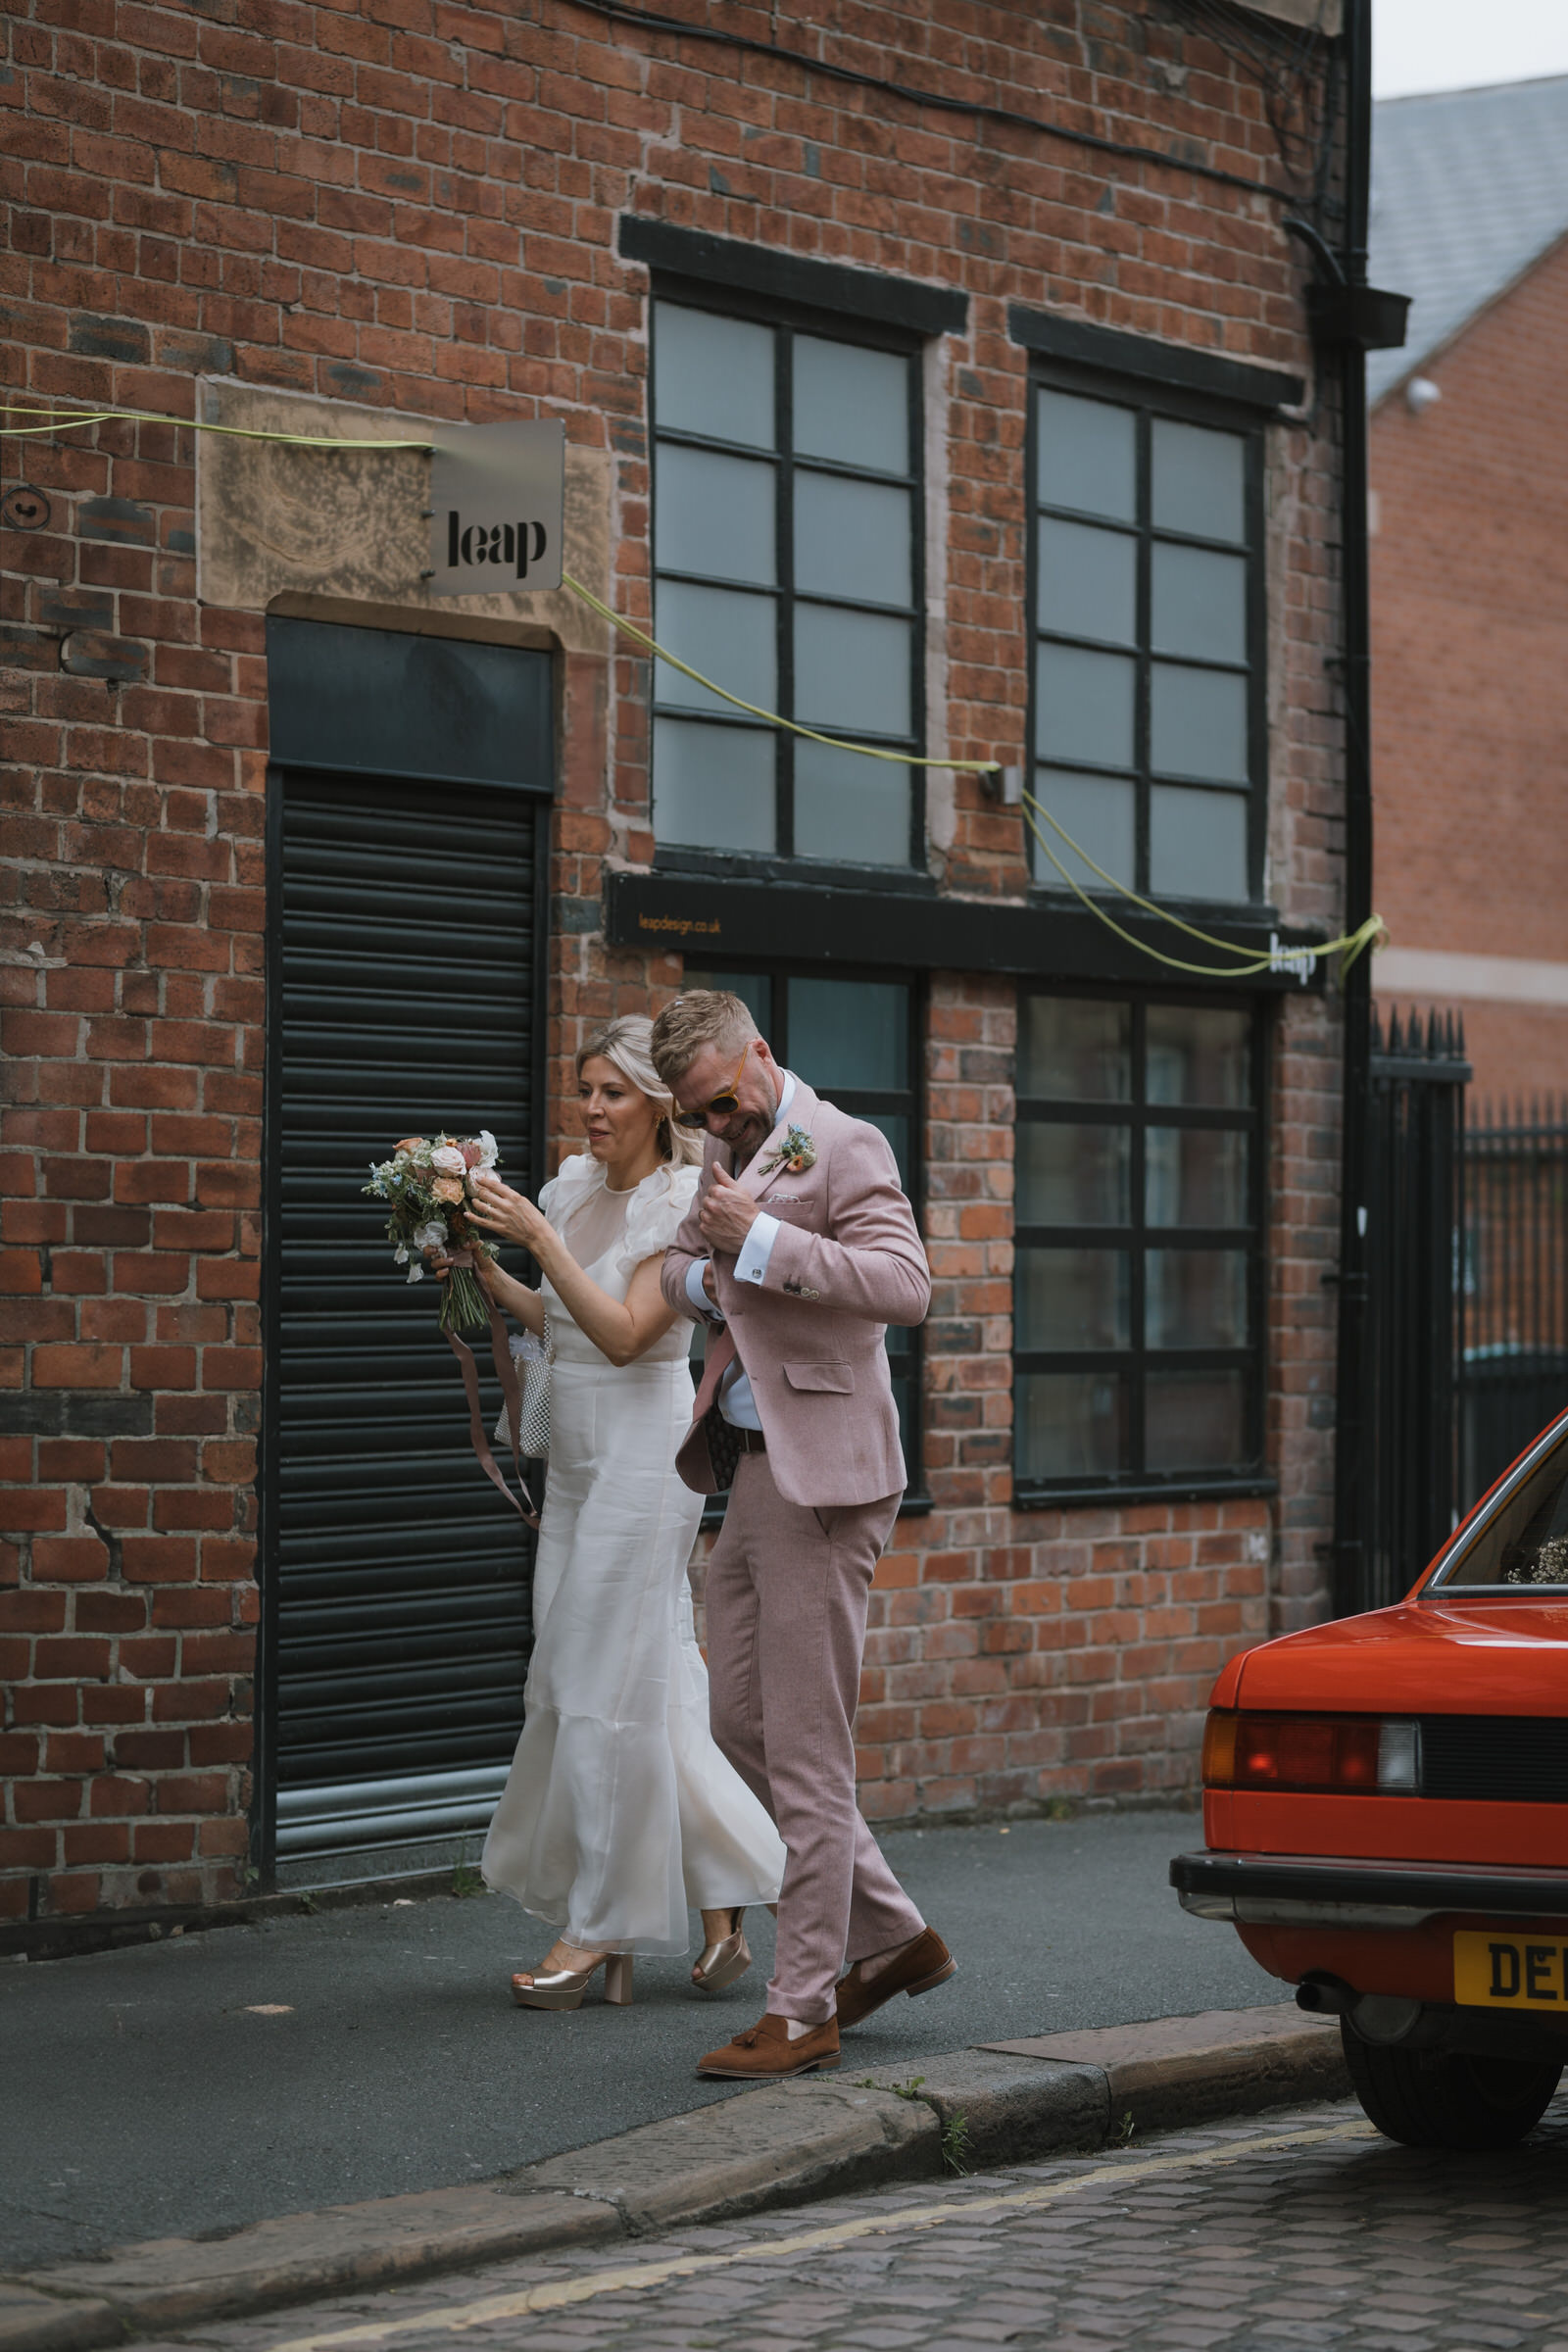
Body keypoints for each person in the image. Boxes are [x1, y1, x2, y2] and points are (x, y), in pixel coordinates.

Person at [651, 990, 955, 2080]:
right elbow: (681, 1269)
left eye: (723, 1104)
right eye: (695, 1117)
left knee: (810, 1752)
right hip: (748, 1478)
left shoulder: (843, 1144)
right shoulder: (721, 1159)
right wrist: (712, 1270)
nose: (713, 1129)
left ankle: (802, 2005)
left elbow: (905, 1288)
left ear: (762, 1058)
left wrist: (766, 1241)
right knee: (742, 1724)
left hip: (824, 1483)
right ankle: (897, 1936)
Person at [456, 1015, 786, 2012]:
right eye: (584, 1089)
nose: (591, 1110)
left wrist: (537, 1240)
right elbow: (554, 1317)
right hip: (576, 1464)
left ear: (655, 1103)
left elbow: (629, 1333)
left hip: (645, 1467)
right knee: (630, 1683)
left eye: (611, 1092)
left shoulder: (679, 1201)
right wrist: (479, 1267)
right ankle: (725, 1898)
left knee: (596, 1679)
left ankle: (598, 1927)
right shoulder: (563, 1186)